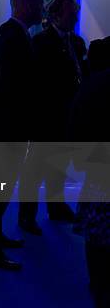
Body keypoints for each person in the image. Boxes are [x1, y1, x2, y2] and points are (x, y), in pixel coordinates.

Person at [0, 0, 44, 270]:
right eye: (40, 4)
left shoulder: (10, 34)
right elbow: (5, 84)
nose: (43, 10)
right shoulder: (12, 36)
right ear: (26, 6)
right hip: (9, 127)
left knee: (1, 186)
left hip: (7, 124)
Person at [18, 0, 87, 234]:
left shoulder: (77, 44)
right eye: (72, 13)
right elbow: (35, 81)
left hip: (66, 117)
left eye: (76, 12)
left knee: (59, 165)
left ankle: (56, 208)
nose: (76, 17)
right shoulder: (40, 43)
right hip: (46, 117)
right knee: (35, 169)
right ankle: (27, 217)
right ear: (56, 15)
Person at [69, 37, 110, 306]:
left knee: (96, 233)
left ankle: (99, 285)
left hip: (97, 167)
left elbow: (75, 126)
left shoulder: (89, 86)